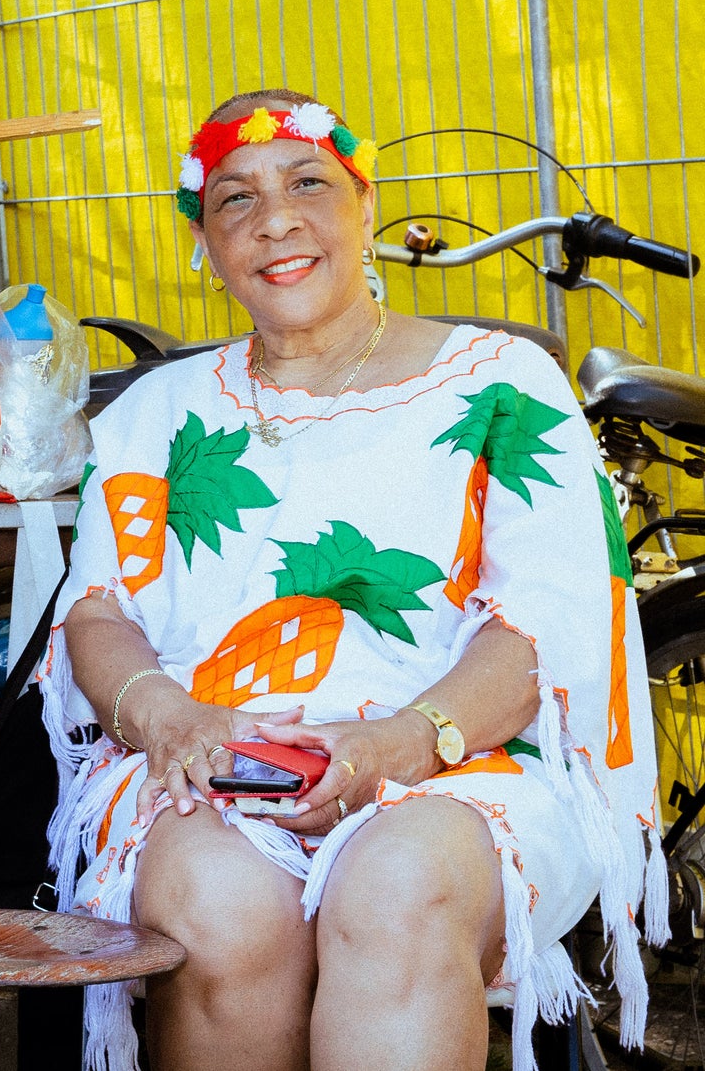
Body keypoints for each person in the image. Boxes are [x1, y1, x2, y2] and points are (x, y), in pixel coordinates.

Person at [39, 90, 658, 1071]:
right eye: (234, 198)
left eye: (307, 184)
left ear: (366, 206)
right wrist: (171, 719)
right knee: (219, 904)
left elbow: (543, 623)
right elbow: (96, 611)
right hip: (206, 763)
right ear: (202, 239)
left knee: (395, 885)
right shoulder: (152, 416)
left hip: (462, 756)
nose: (274, 219)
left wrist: (397, 743)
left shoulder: (501, 383)